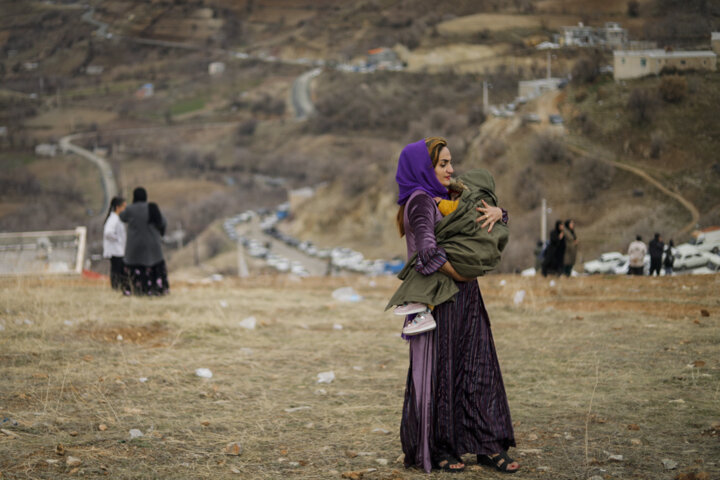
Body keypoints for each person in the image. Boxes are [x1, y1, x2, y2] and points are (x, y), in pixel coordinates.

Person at [395, 137, 518, 474]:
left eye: (451, 162)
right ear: (424, 168)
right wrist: (463, 274)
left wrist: (499, 212)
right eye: (442, 164)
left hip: (466, 297)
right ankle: (441, 447)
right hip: (441, 301)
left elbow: (485, 215)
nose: (451, 169)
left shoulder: (451, 197)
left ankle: (487, 445)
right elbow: (427, 254)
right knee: (444, 374)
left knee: (478, 367)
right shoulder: (420, 203)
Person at [119, 187, 169, 295]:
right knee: (154, 266)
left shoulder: (130, 209)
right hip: (153, 246)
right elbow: (163, 222)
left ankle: (137, 289)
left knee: (136, 267)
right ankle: (157, 289)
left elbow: (122, 217)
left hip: (135, 246)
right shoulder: (152, 207)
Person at [102, 196, 127, 290]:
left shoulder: (117, 218)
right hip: (115, 250)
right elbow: (108, 233)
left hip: (118, 250)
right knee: (117, 271)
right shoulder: (114, 219)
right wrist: (117, 239)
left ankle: (118, 287)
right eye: (123, 207)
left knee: (118, 271)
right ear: (118, 207)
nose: (125, 209)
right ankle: (116, 287)